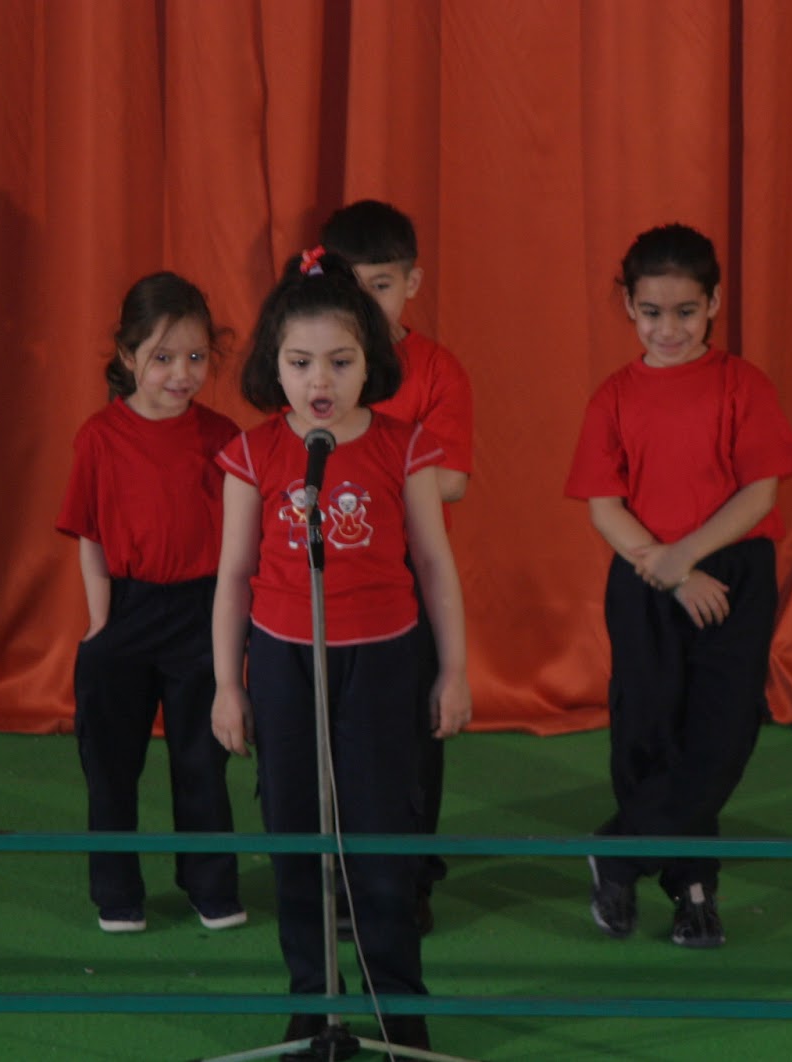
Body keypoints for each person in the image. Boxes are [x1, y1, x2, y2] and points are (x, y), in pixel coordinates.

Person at [211, 248, 471, 1054]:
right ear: (273, 367)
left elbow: (434, 564)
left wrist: (454, 670)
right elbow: (233, 577)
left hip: (385, 663)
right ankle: (312, 1007)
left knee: (379, 841)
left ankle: (399, 1010)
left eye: (340, 361)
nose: (319, 381)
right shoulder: (255, 454)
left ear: (370, 364)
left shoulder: (405, 446)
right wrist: (229, 684)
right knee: (295, 838)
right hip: (286, 662)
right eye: (299, 363)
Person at [564, 223, 792, 949]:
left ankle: (620, 848)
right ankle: (692, 890)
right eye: (651, 313)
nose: (668, 329)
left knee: (720, 734)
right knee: (645, 732)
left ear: (715, 303)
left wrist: (691, 558)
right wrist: (666, 571)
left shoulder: (743, 385)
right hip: (645, 577)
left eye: (686, 312)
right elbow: (605, 504)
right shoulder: (613, 396)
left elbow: (760, 492)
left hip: (731, 575)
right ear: (629, 307)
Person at [55, 271, 246, 934]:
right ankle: (117, 893)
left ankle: (210, 884)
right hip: (128, 614)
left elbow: (238, 551)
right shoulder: (98, 439)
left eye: (196, 357)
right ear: (128, 355)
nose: (181, 374)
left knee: (202, 762)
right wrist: (102, 620)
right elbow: (89, 533)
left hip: (201, 614)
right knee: (111, 765)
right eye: (163, 358)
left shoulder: (223, 439)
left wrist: (228, 642)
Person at [319, 199, 474, 933]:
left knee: (409, 739)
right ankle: (338, 873)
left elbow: (454, 477)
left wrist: (373, 469)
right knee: (333, 736)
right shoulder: (311, 357)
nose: (365, 300)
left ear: (412, 283)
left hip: (407, 580)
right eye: (350, 283)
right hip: (328, 576)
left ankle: (408, 875)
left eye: (381, 284)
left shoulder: (437, 368)